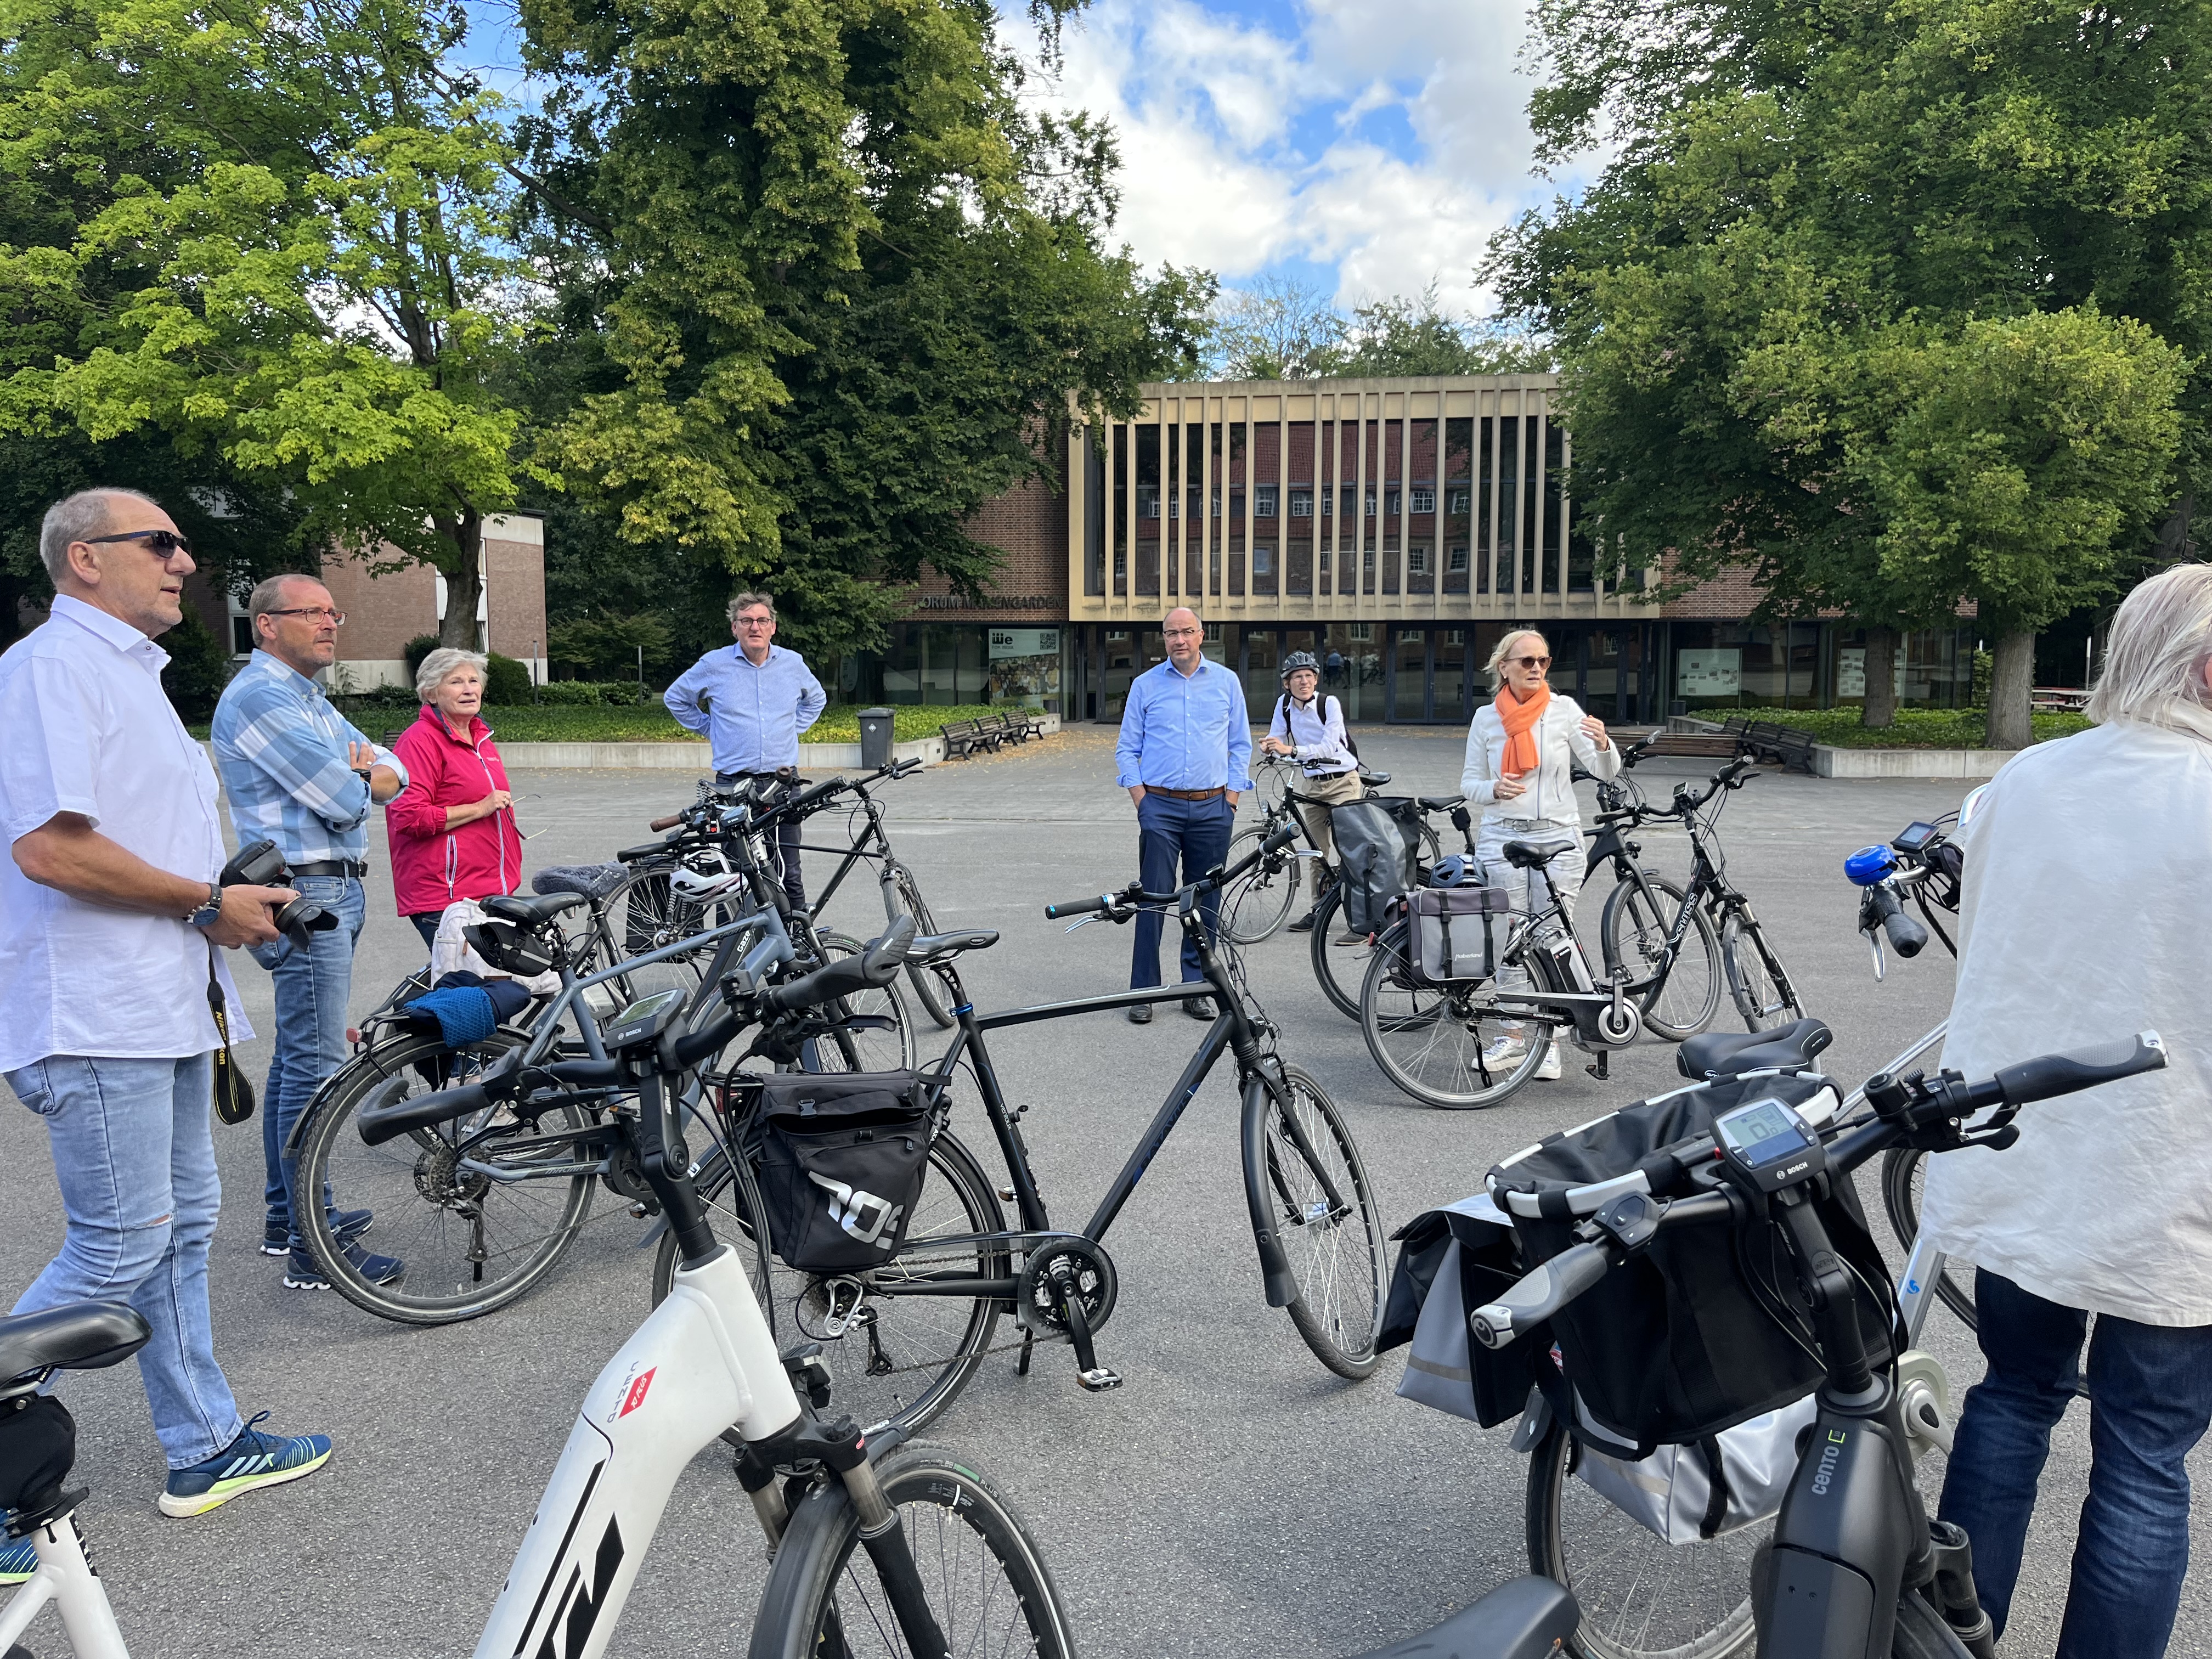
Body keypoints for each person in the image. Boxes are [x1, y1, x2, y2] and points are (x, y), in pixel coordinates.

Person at [0, 488, 335, 1530]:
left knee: (181, 1229)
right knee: (118, 1242)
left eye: (182, 543)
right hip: (96, 1014)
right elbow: (50, 848)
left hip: (159, 1003)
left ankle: (205, 1442)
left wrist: (222, 906)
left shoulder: (126, 674)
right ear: (84, 560)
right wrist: (205, 901)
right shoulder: (51, 669)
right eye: (162, 542)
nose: (185, 559)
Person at [1920, 565, 2212, 1659]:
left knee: (2012, 1397)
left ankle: (1953, 1642)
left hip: (2025, 1153)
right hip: (2174, 1176)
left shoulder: (2025, 784)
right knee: (2144, 1456)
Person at [211, 574, 406, 1293]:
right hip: (305, 890)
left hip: (330, 885)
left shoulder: (307, 699)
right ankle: (310, 1243)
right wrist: (366, 781)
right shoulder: (262, 697)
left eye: (334, 611)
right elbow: (343, 794)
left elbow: (395, 768)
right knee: (317, 1065)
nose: (331, 623)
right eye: (313, 613)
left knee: (300, 1060)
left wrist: (372, 776)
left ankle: (283, 1218)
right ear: (266, 625)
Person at [1459, 628, 1616, 1080]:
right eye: (1526, 661)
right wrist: (1492, 788)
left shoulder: (1564, 711)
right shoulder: (1486, 719)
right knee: (1509, 939)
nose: (1535, 669)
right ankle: (1513, 1037)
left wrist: (1604, 744)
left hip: (1558, 838)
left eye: (1543, 662)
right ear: (1503, 666)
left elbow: (1605, 769)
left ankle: (1550, 1044)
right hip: (1502, 837)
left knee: (1551, 941)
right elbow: (1468, 782)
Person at [1114, 607, 1252, 1023]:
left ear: (1201, 635)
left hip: (1214, 807)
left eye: (1186, 632)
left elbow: (1241, 745)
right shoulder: (1145, 686)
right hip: (1161, 808)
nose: (1179, 640)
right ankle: (1144, 992)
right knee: (1154, 900)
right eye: (1171, 633)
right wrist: (1143, 801)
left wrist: (1231, 799)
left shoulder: (1227, 683)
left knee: (1204, 903)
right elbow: (1126, 748)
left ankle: (1196, 989)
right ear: (1164, 639)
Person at [663, 590, 827, 914]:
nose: (755, 627)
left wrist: (792, 728)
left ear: (773, 627)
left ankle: (796, 945)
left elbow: (816, 699)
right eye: (747, 621)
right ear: (734, 628)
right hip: (732, 788)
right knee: (733, 874)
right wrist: (710, 728)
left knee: (787, 870)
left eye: (762, 620)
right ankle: (732, 952)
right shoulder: (714, 664)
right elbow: (676, 698)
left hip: (783, 786)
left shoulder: (792, 664)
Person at [385, 647, 523, 949]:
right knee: (471, 988)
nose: (469, 689)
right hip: (447, 896)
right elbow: (409, 816)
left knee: (496, 987)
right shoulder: (420, 740)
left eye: (474, 681)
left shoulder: (481, 739)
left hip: (490, 890)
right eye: (456, 682)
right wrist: (480, 808)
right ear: (431, 693)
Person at [1259, 650, 1361, 934]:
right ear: (1286, 683)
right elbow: (1277, 738)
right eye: (1296, 678)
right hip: (1314, 785)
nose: (1303, 682)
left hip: (1343, 782)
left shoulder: (1329, 704)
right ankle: (1319, 910)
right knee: (1318, 852)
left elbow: (1328, 748)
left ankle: (1362, 920)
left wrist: (1291, 750)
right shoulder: (1284, 706)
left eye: (1308, 676)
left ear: (1315, 680)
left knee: (1350, 851)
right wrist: (1268, 746)